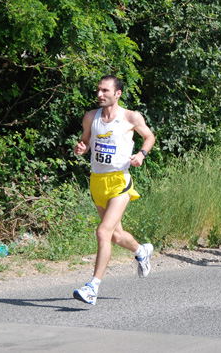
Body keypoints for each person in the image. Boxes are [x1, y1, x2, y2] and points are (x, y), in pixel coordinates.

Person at [72, 75, 156, 305]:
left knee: (102, 232)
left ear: (117, 94)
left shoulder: (130, 117)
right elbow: (85, 141)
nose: (100, 94)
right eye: (98, 90)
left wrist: (141, 154)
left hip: (120, 181)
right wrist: (81, 147)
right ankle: (141, 251)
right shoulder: (91, 117)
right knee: (116, 235)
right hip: (97, 181)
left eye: (105, 91)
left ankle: (92, 287)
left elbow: (149, 136)